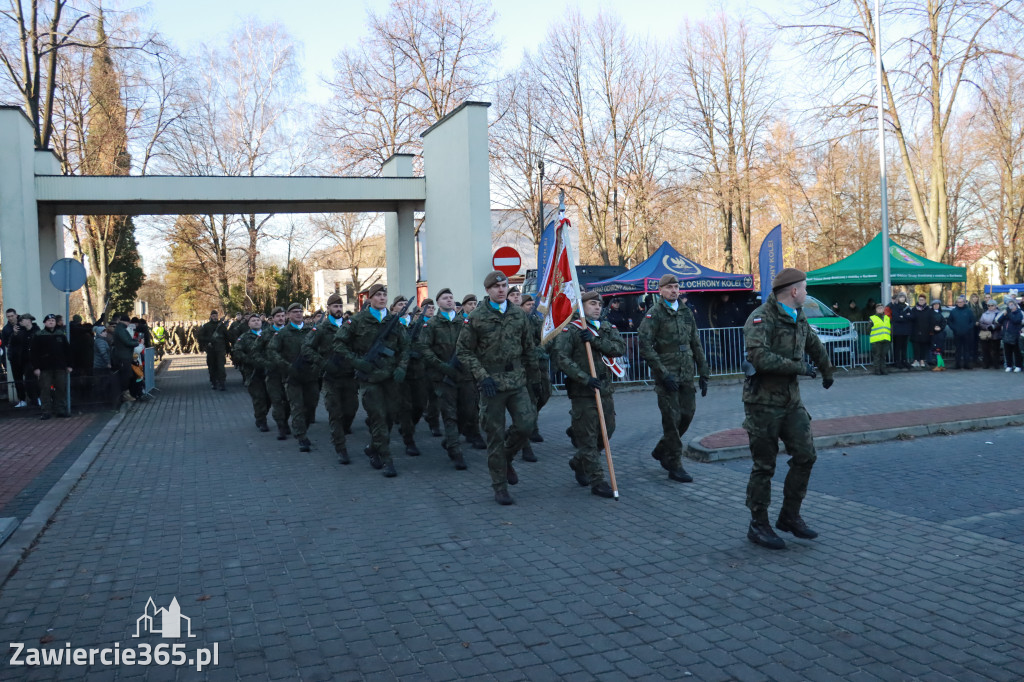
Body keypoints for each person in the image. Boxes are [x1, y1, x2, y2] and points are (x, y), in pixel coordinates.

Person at [742, 268, 835, 550]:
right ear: (794, 291)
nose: (806, 293)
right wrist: (799, 367)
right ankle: (758, 524)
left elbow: (812, 342)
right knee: (764, 466)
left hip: (791, 401)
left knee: (806, 455)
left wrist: (826, 369)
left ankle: (790, 516)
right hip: (763, 403)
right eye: (804, 289)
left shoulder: (798, 315)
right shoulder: (761, 317)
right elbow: (759, 357)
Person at [456, 271, 539, 506]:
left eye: (504, 285)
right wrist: (482, 376)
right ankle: (500, 486)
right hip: (491, 383)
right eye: (496, 286)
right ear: (488, 290)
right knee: (494, 435)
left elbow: (529, 347)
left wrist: (536, 377)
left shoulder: (518, 315)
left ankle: (507, 458)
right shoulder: (476, 317)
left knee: (526, 425)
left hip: (516, 379)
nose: (501, 289)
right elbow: (463, 351)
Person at [638, 274, 710, 484]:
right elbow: (645, 346)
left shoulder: (686, 312)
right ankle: (674, 463)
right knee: (672, 420)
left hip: (686, 372)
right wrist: (662, 373)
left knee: (687, 415)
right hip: (667, 374)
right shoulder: (655, 314)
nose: (674, 291)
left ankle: (662, 449)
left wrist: (704, 371)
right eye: (669, 287)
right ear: (660, 290)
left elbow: (696, 342)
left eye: (676, 287)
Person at [553, 291, 626, 499]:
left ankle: (578, 462)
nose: (597, 307)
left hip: (604, 390)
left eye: (599, 304)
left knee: (607, 433)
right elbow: (561, 358)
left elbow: (618, 348)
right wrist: (584, 378)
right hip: (583, 392)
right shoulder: (571, 330)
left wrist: (595, 341)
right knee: (588, 438)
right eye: (592, 304)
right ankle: (597, 480)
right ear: (581, 306)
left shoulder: (606, 327)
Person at [333, 283, 410, 477]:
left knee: (391, 417)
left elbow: (405, 347)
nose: (382, 298)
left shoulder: (394, 320)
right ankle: (387, 459)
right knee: (378, 419)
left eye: (385, 294)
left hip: (390, 377)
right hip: (369, 378)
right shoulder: (358, 321)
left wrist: (401, 367)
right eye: (378, 295)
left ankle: (374, 448)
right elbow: (339, 343)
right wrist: (357, 362)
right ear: (370, 299)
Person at [418, 287, 472, 470]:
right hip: (443, 377)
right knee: (450, 415)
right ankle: (455, 451)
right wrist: (441, 366)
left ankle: (451, 440)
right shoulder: (432, 324)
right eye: (445, 298)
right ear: (438, 302)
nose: (449, 300)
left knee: (467, 412)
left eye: (451, 297)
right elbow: (424, 348)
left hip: (464, 375)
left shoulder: (464, 322)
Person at [302, 293, 358, 464]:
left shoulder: (350, 326)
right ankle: (340, 448)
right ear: (328, 309)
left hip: (349, 376)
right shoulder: (321, 329)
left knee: (351, 410)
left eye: (340, 306)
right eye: (335, 306)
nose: (338, 309)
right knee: (335, 413)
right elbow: (306, 349)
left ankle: (344, 427)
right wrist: (323, 364)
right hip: (331, 378)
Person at [267, 303, 318, 452]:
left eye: (300, 311)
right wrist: (286, 366)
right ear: (288, 315)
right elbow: (271, 351)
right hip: (292, 376)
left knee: (311, 406)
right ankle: (301, 436)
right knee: (297, 407)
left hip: (310, 375)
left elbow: (320, 349)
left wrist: (317, 364)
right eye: (295, 312)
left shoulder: (311, 331)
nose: (298, 314)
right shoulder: (282, 333)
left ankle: (303, 428)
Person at [232, 313, 271, 433]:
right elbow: (237, 352)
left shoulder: (268, 335)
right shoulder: (244, 337)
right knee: (259, 397)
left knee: (269, 398)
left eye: (258, 320)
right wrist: (250, 361)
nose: (256, 322)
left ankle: (262, 415)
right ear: (248, 324)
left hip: (268, 371)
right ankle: (261, 420)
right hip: (252, 372)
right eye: (253, 320)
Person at [521, 294, 551, 445]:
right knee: (531, 398)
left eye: (532, 304)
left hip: (540, 365)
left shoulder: (536, 320)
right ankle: (532, 428)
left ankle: (531, 420)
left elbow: (547, 337)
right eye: (528, 304)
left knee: (545, 394)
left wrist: (539, 350)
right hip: (526, 367)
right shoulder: (518, 321)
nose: (531, 306)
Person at [31, 314, 72, 419]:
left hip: (60, 367)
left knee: (61, 389)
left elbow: (67, 351)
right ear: (45, 322)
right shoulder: (39, 335)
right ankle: (46, 411)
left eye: (53, 320)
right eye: (49, 320)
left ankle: (61, 410)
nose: (51, 322)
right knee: (45, 390)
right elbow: (34, 353)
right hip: (45, 368)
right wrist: (36, 367)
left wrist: (69, 365)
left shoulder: (60, 334)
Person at [260, 307, 291, 439]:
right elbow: (255, 351)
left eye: (283, 316)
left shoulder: (290, 332)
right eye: (278, 316)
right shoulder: (266, 334)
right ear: (272, 319)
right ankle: (281, 426)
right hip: (273, 374)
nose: (281, 318)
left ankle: (285, 421)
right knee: (277, 401)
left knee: (289, 401)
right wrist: (266, 363)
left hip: (288, 372)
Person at [197, 310, 230, 390]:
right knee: (212, 366)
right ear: (211, 316)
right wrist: (207, 341)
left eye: (216, 315)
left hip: (220, 349)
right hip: (211, 349)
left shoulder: (221, 326)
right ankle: (213, 381)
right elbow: (200, 337)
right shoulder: (206, 326)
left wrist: (228, 349)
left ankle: (222, 382)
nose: (215, 317)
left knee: (221, 366)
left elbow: (226, 337)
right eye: (213, 316)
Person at [947, 295, 975, 370]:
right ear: (956, 303)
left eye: (961, 302)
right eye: (958, 302)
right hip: (957, 334)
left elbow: (972, 321)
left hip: (967, 334)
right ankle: (957, 364)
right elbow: (949, 322)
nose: (960, 303)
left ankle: (967, 364)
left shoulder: (969, 311)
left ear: (964, 302)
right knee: (958, 350)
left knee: (967, 350)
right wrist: (954, 328)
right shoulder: (953, 311)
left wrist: (968, 328)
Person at [889, 292, 913, 370]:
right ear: (898, 298)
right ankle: (897, 361)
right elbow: (896, 317)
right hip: (897, 331)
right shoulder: (895, 307)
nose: (902, 298)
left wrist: (903, 316)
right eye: (901, 297)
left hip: (905, 330)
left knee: (904, 347)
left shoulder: (907, 306)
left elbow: (911, 316)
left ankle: (904, 361)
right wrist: (905, 316)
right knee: (897, 347)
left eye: (903, 297)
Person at [977, 301, 1002, 369]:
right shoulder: (984, 314)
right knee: (985, 350)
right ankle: (986, 364)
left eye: (992, 305)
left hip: (995, 335)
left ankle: (996, 364)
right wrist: (987, 327)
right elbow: (980, 323)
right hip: (986, 334)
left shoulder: (999, 313)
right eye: (989, 305)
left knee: (995, 350)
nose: (990, 307)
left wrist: (993, 327)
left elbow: (1000, 323)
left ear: (996, 306)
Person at [909, 294, 932, 367]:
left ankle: (922, 360)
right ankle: (916, 360)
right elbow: (911, 319)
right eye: (920, 300)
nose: (921, 301)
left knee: (923, 347)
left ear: (925, 301)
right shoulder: (914, 309)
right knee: (916, 347)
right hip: (915, 331)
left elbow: (931, 321)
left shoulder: (928, 309)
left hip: (925, 331)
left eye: (922, 300)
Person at [1000, 299, 1023, 372]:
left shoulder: (1019, 313)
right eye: (1009, 305)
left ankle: (1018, 366)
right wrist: (1004, 314)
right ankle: (1009, 365)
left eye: (1012, 305)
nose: (1010, 306)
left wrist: (1009, 314)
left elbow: (1016, 320)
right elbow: (999, 321)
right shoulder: (1007, 313)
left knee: (1016, 351)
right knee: (1007, 352)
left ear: (1016, 305)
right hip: (1006, 334)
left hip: (1015, 335)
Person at [868, 303, 891, 375]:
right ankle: (877, 370)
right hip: (876, 340)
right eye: (878, 308)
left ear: (883, 309)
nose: (880, 309)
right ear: (876, 310)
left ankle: (883, 370)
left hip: (885, 339)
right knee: (877, 356)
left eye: (881, 308)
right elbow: (868, 329)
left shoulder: (887, 318)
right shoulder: (872, 318)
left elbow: (889, 328)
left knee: (883, 356)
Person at [928, 299, 947, 370]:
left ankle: (940, 365)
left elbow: (944, 322)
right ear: (932, 306)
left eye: (938, 304)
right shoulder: (930, 313)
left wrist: (940, 328)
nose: (936, 306)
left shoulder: (940, 313)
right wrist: (934, 327)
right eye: (935, 305)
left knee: (938, 350)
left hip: (939, 334)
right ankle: (940, 365)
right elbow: (928, 323)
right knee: (936, 350)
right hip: (934, 334)